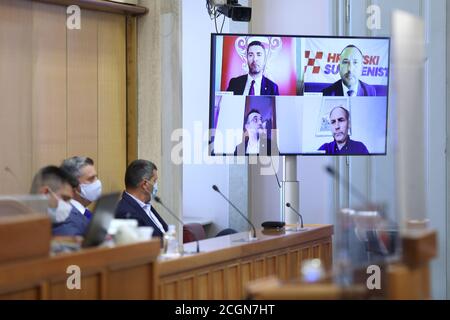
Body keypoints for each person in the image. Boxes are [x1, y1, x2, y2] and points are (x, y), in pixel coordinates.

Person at [115, 160, 168, 239]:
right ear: (145, 184)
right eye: (154, 181)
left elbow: (164, 231)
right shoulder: (124, 212)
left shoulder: (146, 205)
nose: (156, 185)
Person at [30, 165, 89, 236]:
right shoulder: (20, 227)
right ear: (45, 193)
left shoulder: (55, 222)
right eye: (64, 198)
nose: (69, 207)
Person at [61, 156, 102, 221]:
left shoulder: (84, 211)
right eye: (91, 179)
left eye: (96, 177)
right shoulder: (68, 219)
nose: (97, 182)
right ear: (73, 184)